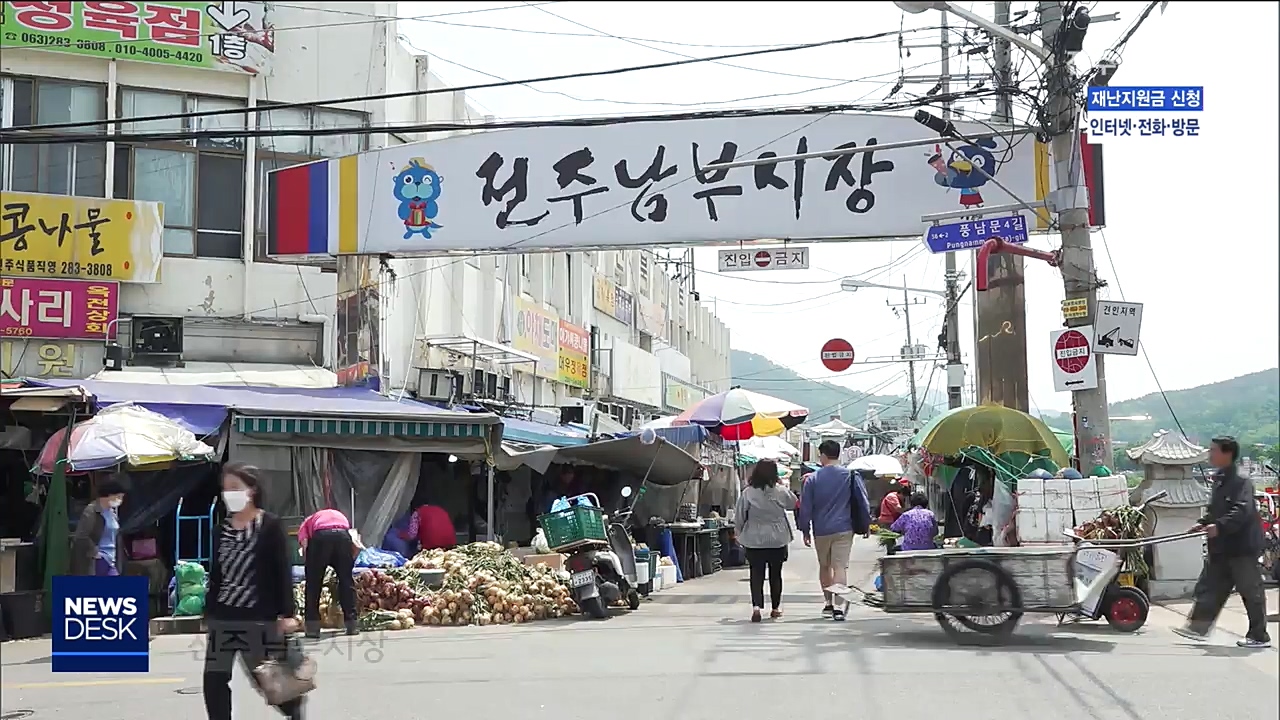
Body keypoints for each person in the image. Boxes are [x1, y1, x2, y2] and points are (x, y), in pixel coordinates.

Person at [203, 463, 305, 720]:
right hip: (223, 618)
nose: (229, 494)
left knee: (267, 681)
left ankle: (294, 709)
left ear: (252, 490)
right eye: (225, 489)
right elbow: (216, 575)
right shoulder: (220, 530)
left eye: (235, 488)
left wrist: (287, 614)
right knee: (214, 682)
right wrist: (209, 611)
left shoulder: (269, 526)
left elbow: (282, 572)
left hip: (257, 618)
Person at [1172, 437, 1271, 649]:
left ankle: (1259, 636)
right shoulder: (1219, 479)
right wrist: (1202, 523)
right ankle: (1197, 628)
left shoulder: (1242, 480)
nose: (1210, 454)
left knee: (1250, 591)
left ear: (1227, 453)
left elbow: (1241, 510)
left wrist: (1220, 526)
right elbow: (1214, 510)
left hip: (1241, 547)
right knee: (1211, 587)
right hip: (1221, 547)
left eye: (1213, 450)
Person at [797, 440, 871, 621]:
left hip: (821, 530)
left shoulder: (812, 479)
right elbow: (863, 501)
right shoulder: (851, 475)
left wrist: (805, 530)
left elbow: (806, 507)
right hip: (844, 528)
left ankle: (828, 603)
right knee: (840, 568)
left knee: (824, 567)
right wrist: (866, 523)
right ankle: (839, 607)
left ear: (822, 455)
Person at [733, 459, 798, 623]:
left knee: (756, 574)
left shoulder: (748, 492)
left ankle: (756, 607)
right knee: (776, 574)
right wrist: (782, 484)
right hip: (778, 538)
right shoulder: (781, 491)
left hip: (755, 538)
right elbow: (793, 504)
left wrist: (738, 531)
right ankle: (775, 608)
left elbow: (740, 515)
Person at [297, 508, 357, 639]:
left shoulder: (306, 523)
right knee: (346, 581)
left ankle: (312, 628)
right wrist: (348, 564)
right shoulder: (339, 515)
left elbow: (305, 544)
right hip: (343, 536)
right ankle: (351, 623)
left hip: (321, 536)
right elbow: (355, 542)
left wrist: (311, 567)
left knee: (313, 584)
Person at [71, 476, 127, 576]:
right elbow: (81, 536)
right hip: (99, 560)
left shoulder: (112, 513)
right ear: (109, 495)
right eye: (119, 497)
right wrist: (95, 552)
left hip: (111, 560)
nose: (121, 501)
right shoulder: (91, 511)